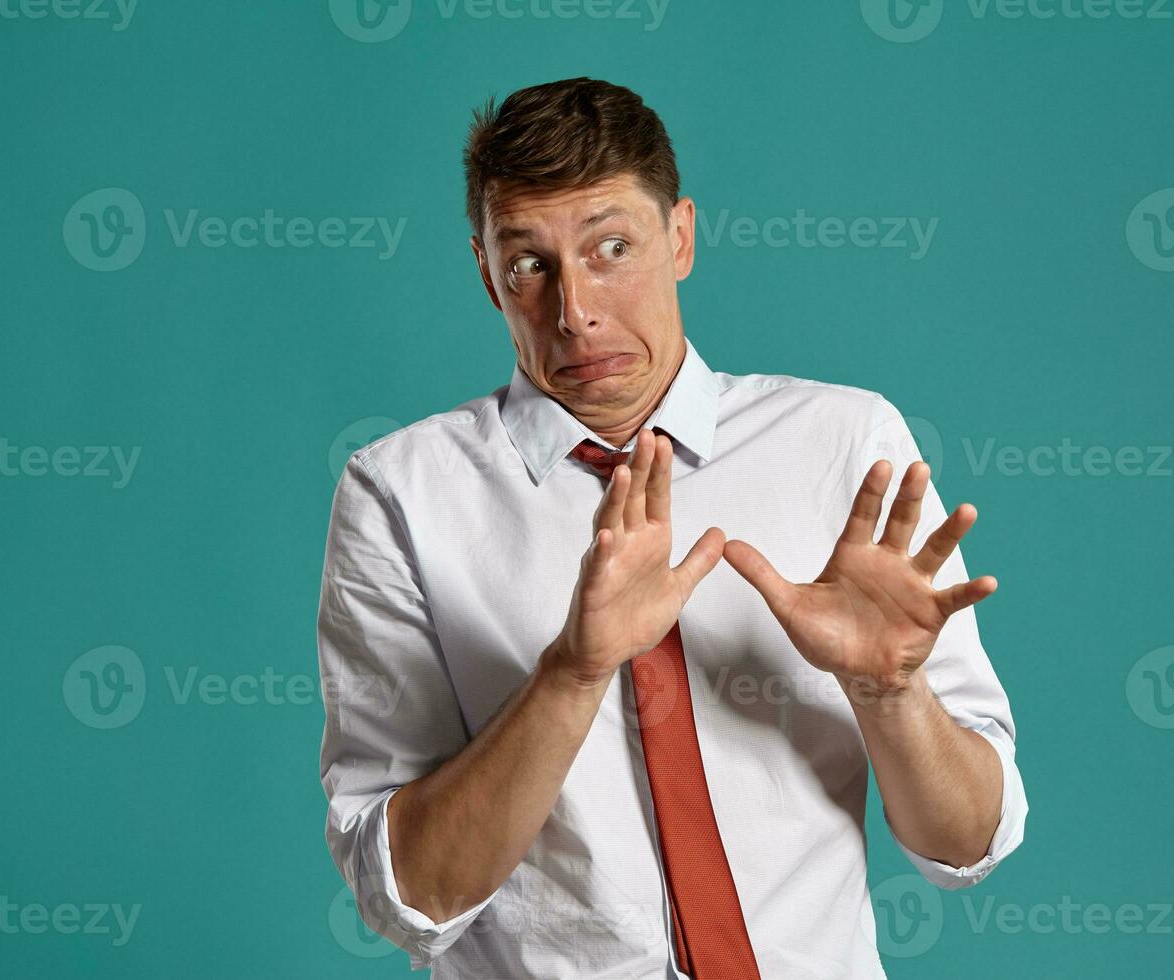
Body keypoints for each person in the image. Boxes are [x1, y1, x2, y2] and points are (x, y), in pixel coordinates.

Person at [317, 75, 1028, 979]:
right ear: (485, 272)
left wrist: (889, 692)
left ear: (681, 236)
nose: (575, 311)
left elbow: (968, 844)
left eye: (612, 246)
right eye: (531, 264)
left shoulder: (844, 443)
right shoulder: (399, 494)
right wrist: (572, 673)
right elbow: (411, 895)